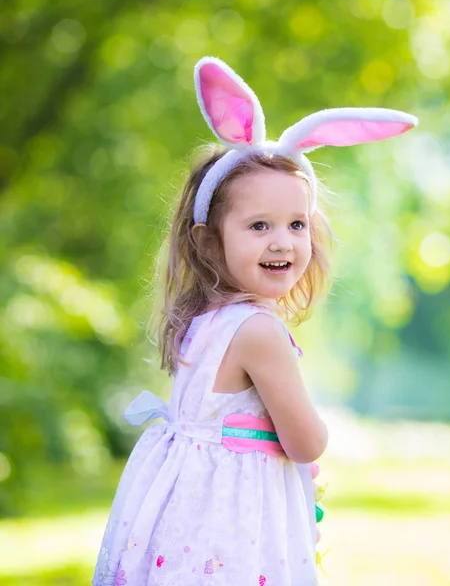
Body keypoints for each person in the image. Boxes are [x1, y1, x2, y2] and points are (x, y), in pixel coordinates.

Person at [92, 56, 417, 586]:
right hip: (230, 531)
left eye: (296, 224)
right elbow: (306, 442)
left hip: (188, 522)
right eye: (259, 225)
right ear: (207, 241)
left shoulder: (204, 320)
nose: (282, 242)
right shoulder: (258, 332)